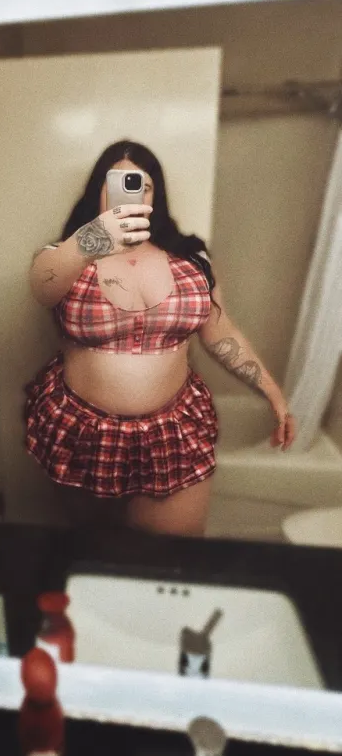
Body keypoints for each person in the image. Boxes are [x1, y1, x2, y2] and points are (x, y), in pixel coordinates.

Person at [24, 140, 296, 537]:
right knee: (96, 551)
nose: (131, 193)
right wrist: (91, 239)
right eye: (115, 183)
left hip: (173, 433)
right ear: (97, 192)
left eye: (143, 186)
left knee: (175, 553)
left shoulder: (191, 258)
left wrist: (272, 391)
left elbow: (220, 332)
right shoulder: (66, 255)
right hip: (82, 434)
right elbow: (42, 288)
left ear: (156, 197)